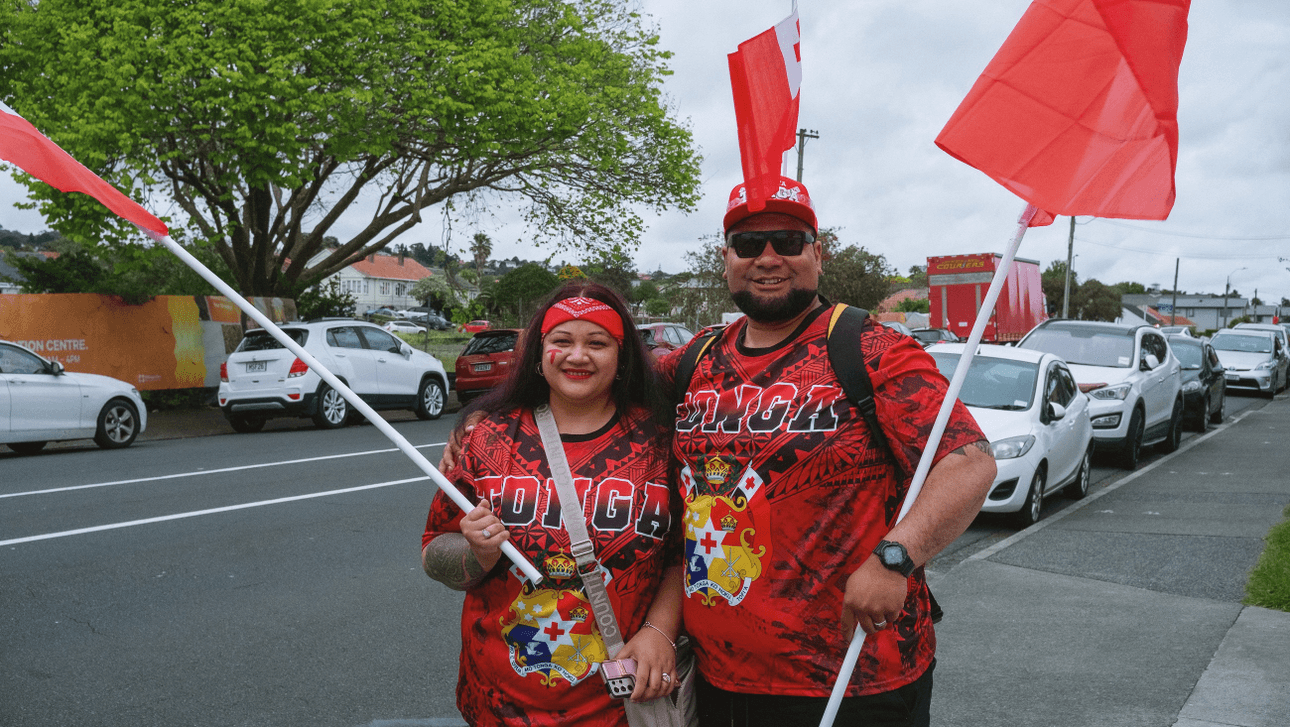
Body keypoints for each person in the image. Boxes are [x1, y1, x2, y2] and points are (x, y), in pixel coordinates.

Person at [651, 175, 997, 726]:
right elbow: (594, 389)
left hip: (856, 679)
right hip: (719, 678)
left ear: (818, 253)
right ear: (725, 259)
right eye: (748, 244)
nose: (767, 258)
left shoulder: (874, 348)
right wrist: (482, 420)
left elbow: (970, 460)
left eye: (788, 243)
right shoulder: (694, 358)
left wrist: (896, 557)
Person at [421, 282, 684, 727]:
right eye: (561, 341)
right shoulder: (486, 439)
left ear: (622, 356)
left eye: (596, 343)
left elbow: (683, 553)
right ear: (539, 354)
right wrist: (475, 554)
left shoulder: (661, 440)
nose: (576, 356)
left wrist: (660, 632)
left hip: (619, 700)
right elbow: (433, 552)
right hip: (499, 702)